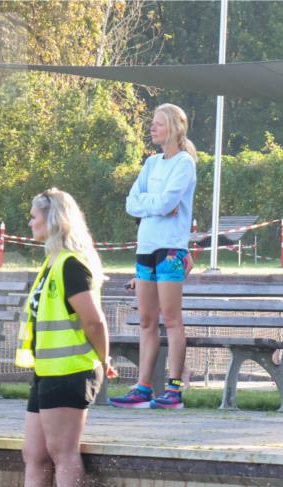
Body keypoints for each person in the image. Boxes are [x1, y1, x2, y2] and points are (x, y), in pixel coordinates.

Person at [17, 188, 116, 487]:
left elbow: (94, 321)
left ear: (54, 219)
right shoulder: (52, 263)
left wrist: (103, 360)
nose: (29, 222)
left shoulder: (71, 264)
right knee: (34, 453)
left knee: (62, 452)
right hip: (45, 371)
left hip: (70, 370)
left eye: (34, 215)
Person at [110, 103, 198, 409]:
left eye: (158, 124)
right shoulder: (150, 165)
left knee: (171, 320)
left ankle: (174, 389)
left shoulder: (185, 163)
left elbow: (168, 203)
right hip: (145, 247)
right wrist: (155, 203)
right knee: (147, 320)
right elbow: (131, 203)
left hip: (171, 248)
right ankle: (143, 386)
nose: (152, 128)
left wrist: (154, 204)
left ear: (173, 127)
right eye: (152, 123)